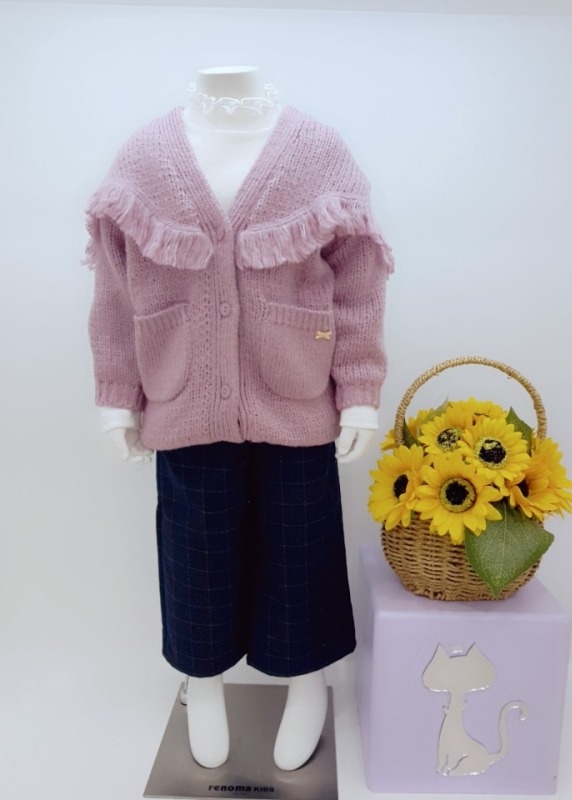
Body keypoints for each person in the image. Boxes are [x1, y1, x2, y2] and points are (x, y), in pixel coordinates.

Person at [85, 65, 392, 771]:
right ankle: (203, 680)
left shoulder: (318, 152)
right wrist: (116, 398)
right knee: (195, 548)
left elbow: (359, 282)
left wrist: (360, 390)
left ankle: (306, 679)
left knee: (301, 544)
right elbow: (115, 291)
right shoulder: (144, 157)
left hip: (297, 393)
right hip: (182, 395)